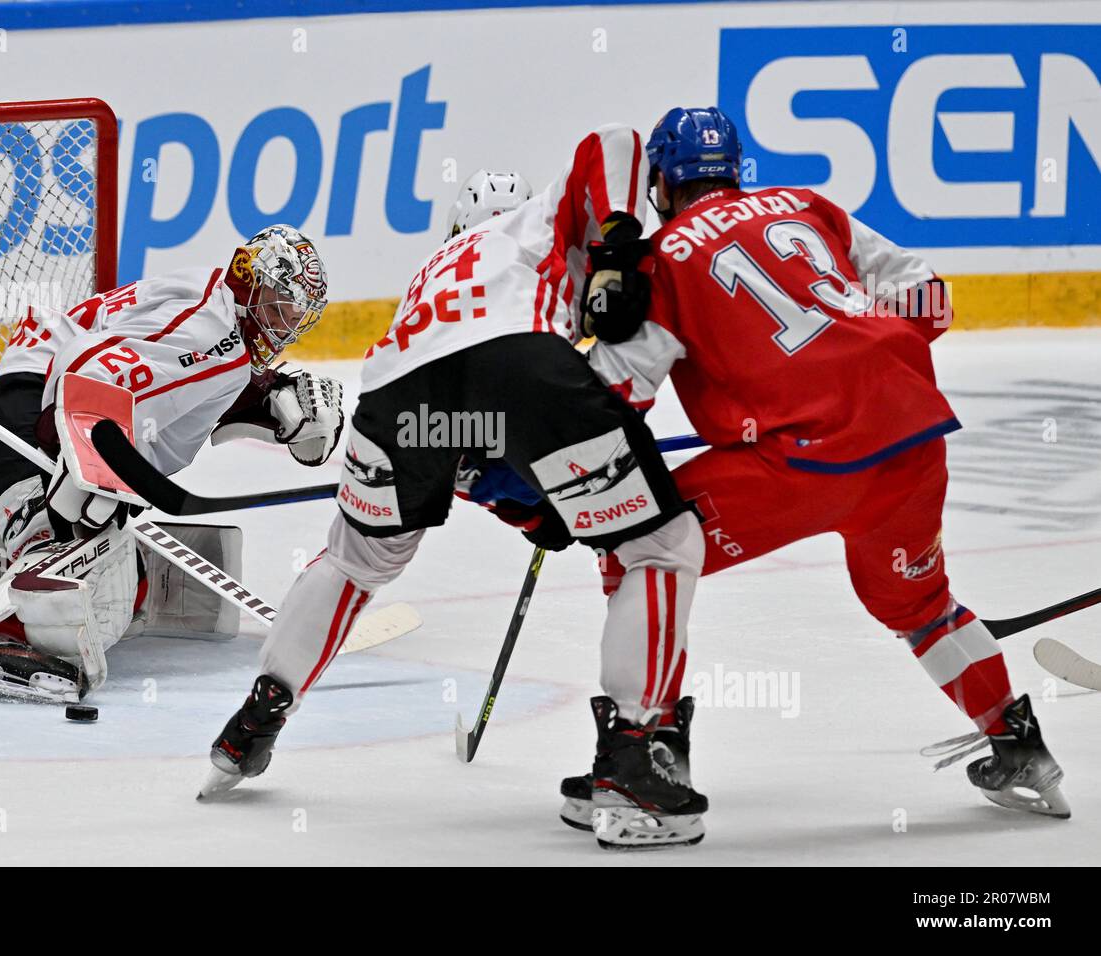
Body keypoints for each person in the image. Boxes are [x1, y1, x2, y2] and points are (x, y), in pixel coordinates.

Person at [199, 124, 715, 850]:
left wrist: (524, 498)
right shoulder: (539, 219)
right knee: (659, 544)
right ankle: (632, 753)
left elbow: (467, 447)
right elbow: (614, 141)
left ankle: (255, 719)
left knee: (355, 561)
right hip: (521, 368)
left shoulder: (437, 269)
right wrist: (621, 246)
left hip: (395, 393)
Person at [554, 107, 1068, 830]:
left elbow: (616, 395)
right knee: (920, 605)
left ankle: (649, 757)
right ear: (735, 171)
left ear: (663, 186)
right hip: (910, 437)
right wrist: (850, 349)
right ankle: (1019, 746)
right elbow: (933, 301)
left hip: (799, 464)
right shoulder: (809, 205)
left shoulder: (662, 257)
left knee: (635, 544)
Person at [0, 225, 345, 703]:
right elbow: (90, 372)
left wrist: (270, 395)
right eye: (280, 303)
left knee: (134, 580)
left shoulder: (215, 306)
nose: (287, 322)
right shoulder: (214, 333)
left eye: (297, 313)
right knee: (93, 559)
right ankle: (5, 638)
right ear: (249, 281)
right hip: (31, 419)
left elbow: (180, 380)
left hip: (28, 402)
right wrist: (98, 471)